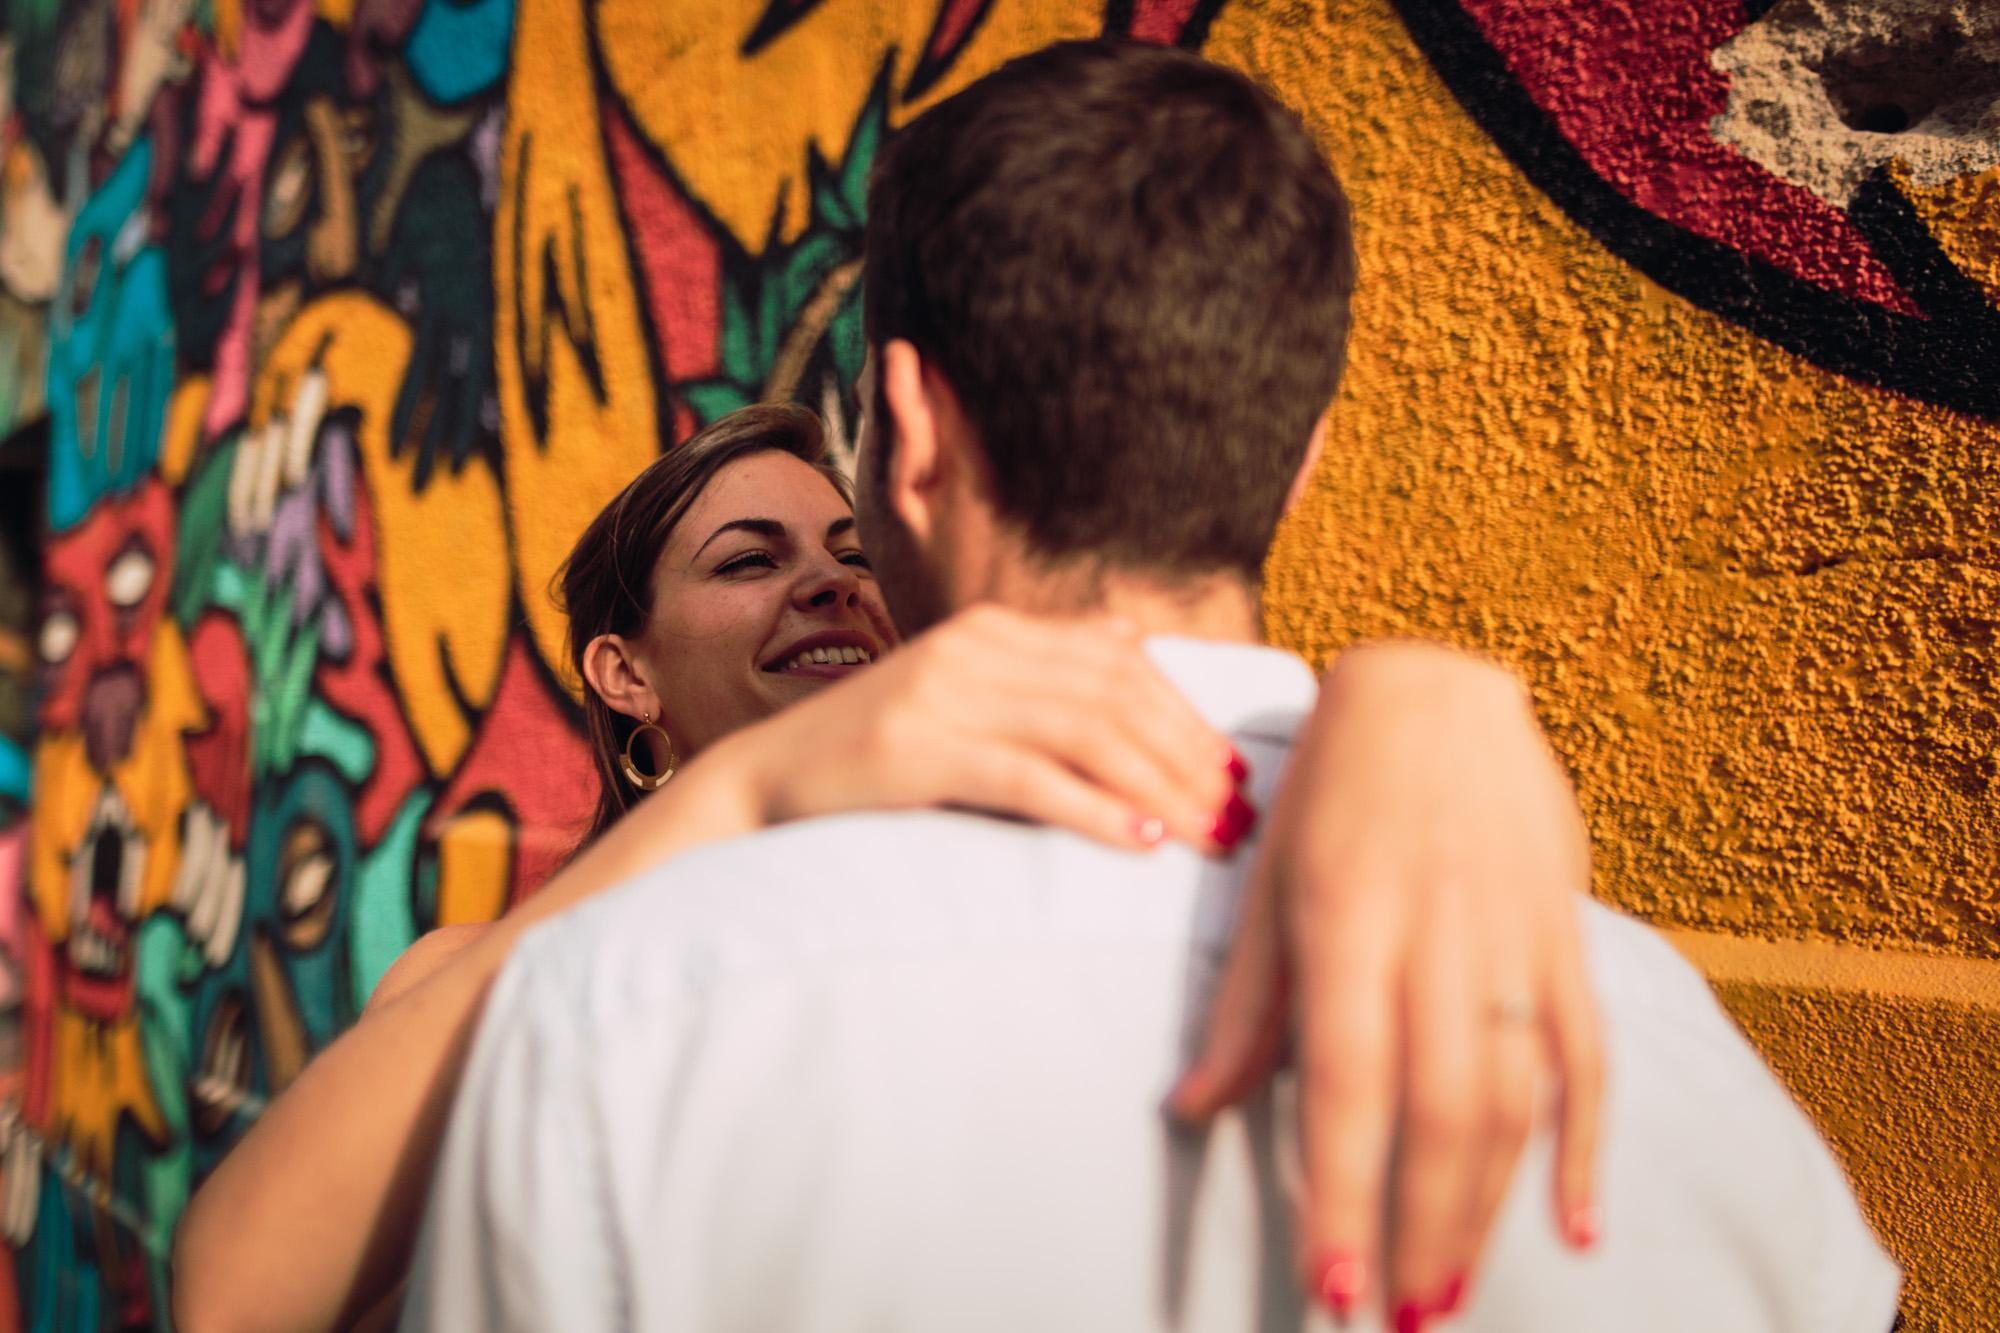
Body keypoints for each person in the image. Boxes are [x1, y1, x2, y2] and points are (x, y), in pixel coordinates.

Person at [402, 38, 1899, 1333]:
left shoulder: (624, 1019)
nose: (825, 582)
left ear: (910, 434)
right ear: (1299, 461)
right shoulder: (1659, 1041)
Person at [172, 399, 1601, 1330]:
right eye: (749, 559)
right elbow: (235, 1298)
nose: (827, 578)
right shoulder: (476, 980)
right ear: (624, 669)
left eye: (851, 547)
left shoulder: (986, 896)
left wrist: (1426, 697)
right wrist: (758, 784)